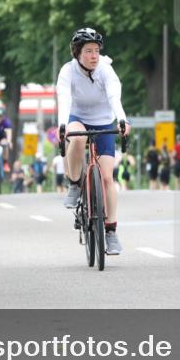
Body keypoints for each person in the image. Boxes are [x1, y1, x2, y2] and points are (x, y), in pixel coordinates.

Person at [56, 27, 131, 255]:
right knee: (77, 139)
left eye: (96, 51)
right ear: (78, 53)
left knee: (108, 177)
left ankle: (111, 231)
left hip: (104, 121)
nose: (94, 56)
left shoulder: (106, 70)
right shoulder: (68, 71)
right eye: (88, 51)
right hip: (77, 117)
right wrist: (62, 126)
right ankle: (75, 184)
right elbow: (64, 98)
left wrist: (122, 119)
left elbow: (114, 96)